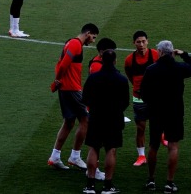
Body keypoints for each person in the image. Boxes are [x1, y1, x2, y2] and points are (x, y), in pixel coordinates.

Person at [140, 40, 191, 193]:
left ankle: (151, 180)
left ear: (159, 52)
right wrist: (184, 55)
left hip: (156, 112)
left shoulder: (151, 69)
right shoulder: (179, 67)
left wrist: (152, 104)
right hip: (175, 111)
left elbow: (143, 92)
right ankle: (169, 182)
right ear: (172, 52)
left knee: (153, 145)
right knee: (173, 146)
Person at [48, 22, 100, 171]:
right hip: (71, 88)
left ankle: (55, 156)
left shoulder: (71, 42)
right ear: (88, 33)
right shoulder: (76, 44)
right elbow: (64, 64)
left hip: (66, 88)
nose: (93, 40)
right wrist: (57, 80)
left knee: (69, 122)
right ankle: (75, 156)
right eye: (93, 37)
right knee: (86, 120)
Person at [82, 44, 130, 194]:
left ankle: (90, 185)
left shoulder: (93, 78)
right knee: (111, 149)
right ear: (115, 61)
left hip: (96, 116)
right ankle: (108, 186)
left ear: (101, 60)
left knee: (93, 147)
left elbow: (85, 98)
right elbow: (125, 102)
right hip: (114, 118)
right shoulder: (121, 79)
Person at [123, 30, 162, 168]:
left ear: (148, 41)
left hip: (155, 97)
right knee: (141, 127)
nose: (141, 44)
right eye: (138, 42)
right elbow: (129, 75)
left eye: (143, 41)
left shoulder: (156, 55)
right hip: (139, 98)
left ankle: (162, 136)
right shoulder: (129, 59)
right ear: (134, 43)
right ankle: (141, 156)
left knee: (157, 122)